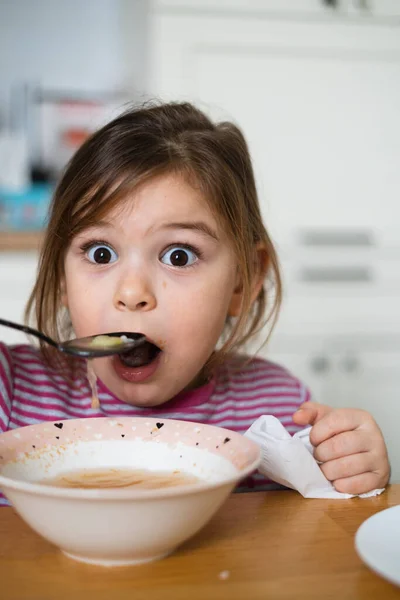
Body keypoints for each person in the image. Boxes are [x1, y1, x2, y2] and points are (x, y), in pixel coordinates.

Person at [0, 102, 389, 502]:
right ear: (63, 276)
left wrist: (351, 468)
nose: (132, 293)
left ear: (243, 280)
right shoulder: (10, 390)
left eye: (178, 256)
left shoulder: (277, 410)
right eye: (101, 253)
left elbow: (324, 529)